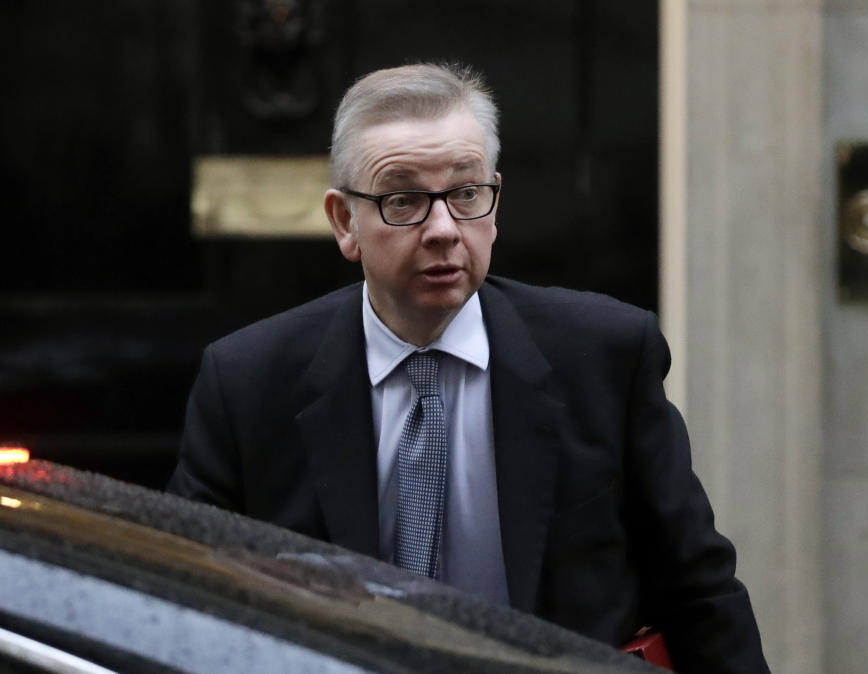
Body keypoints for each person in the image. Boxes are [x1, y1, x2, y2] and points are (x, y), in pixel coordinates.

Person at [168, 63, 769, 672]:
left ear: (494, 201)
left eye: (465, 194)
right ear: (345, 222)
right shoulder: (247, 383)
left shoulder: (605, 355)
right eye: (403, 200)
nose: (443, 230)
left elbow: (697, 587)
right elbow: (189, 602)